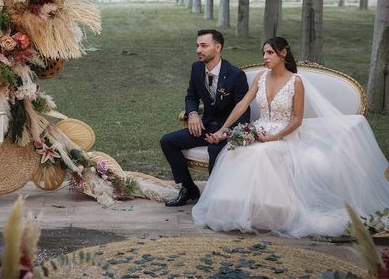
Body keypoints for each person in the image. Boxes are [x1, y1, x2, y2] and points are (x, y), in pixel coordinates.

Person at [192, 37, 389, 238]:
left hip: (286, 134)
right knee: (236, 150)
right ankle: (242, 211)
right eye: (263, 53)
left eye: (269, 53)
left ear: (283, 53)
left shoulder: (296, 82)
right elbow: (242, 105)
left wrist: (276, 136)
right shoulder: (260, 76)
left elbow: (297, 119)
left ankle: (275, 214)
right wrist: (224, 129)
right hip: (260, 129)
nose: (265, 57)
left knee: (262, 153)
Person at [161, 29, 250, 207]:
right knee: (168, 141)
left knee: (215, 151)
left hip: (227, 130)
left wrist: (224, 132)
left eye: (204, 46)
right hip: (205, 126)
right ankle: (188, 189)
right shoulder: (196, 68)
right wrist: (193, 113)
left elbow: (243, 111)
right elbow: (191, 96)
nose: (198, 50)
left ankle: (216, 197)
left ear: (218, 47)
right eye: (197, 46)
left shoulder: (235, 75)